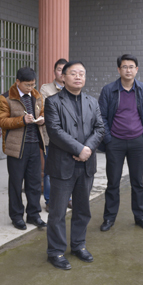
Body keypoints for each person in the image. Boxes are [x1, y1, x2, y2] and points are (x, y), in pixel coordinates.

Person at [44, 61, 104, 270]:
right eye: (73, 73)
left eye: (82, 74)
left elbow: (100, 128)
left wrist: (87, 149)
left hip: (86, 165)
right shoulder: (53, 102)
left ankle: (78, 245)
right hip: (63, 165)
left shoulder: (92, 102)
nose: (78, 77)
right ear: (63, 77)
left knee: (82, 209)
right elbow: (54, 131)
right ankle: (56, 251)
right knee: (58, 212)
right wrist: (79, 149)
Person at [98, 54, 143, 232]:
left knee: (137, 182)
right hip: (115, 142)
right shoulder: (109, 90)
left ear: (136, 69)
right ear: (119, 69)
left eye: (131, 67)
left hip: (138, 142)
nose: (128, 70)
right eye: (125, 67)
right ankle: (109, 218)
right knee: (113, 182)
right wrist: (108, 139)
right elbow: (101, 117)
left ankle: (140, 217)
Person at [0, 67, 48, 230]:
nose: (30, 88)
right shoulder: (6, 98)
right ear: (17, 82)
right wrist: (22, 120)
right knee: (16, 184)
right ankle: (17, 216)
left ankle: (34, 214)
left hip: (34, 145)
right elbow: (1, 121)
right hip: (16, 148)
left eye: (33, 84)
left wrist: (43, 119)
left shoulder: (37, 96)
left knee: (34, 183)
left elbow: (44, 112)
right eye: (27, 85)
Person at [40, 58, 67, 210]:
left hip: (68, 138)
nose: (62, 73)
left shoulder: (72, 88)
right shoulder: (46, 89)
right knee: (50, 170)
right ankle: (50, 200)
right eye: (59, 69)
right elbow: (47, 112)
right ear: (54, 72)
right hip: (50, 138)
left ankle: (67, 198)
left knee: (66, 169)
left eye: (65, 70)